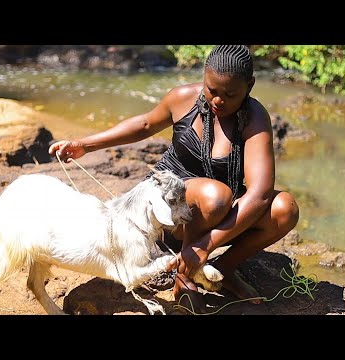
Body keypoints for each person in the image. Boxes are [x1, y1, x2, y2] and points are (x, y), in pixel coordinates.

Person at [48, 45, 299, 312]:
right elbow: (145, 124)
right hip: (167, 208)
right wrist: (85, 145)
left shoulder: (255, 118)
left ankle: (218, 272)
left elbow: (260, 194)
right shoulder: (182, 98)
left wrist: (206, 245)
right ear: (204, 76)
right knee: (216, 197)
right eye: (212, 90)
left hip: (214, 216)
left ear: (249, 86)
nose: (217, 100)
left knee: (284, 209)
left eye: (230, 94)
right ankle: (184, 278)